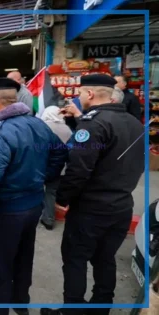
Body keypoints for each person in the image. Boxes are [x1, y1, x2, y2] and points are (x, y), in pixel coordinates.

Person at [42, 74, 145, 315]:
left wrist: (61, 199)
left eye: (80, 93)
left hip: (91, 209)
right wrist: (80, 121)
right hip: (121, 205)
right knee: (104, 258)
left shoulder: (94, 124)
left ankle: (73, 310)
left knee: (75, 259)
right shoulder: (134, 122)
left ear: (89, 94)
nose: (78, 98)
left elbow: (79, 170)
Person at [0, 78, 68, 315]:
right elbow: (60, 152)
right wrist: (41, 178)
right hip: (33, 205)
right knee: (23, 257)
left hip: (6, 210)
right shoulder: (37, 124)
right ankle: (20, 301)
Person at [39, 106, 72, 230]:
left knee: (38, 189)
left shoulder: (42, 127)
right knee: (51, 192)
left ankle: (38, 214)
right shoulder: (67, 129)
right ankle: (49, 219)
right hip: (60, 166)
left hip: (42, 165)